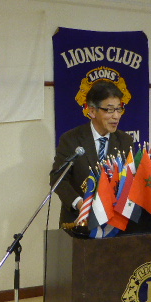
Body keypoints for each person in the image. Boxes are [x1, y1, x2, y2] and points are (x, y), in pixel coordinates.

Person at [50, 80, 134, 227]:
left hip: (114, 223)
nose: (116, 116)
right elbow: (58, 179)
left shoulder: (125, 141)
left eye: (119, 109)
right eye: (109, 110)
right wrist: (80, 204)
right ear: (92, 111)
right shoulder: (71, 139)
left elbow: (131, 180)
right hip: (78, 222)